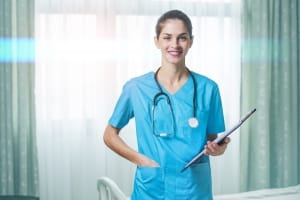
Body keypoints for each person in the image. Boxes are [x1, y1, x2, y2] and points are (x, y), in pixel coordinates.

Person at [103, 9, 230, 200]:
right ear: (157, 41)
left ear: (191, 42)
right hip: (151, 188)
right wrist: (140, 160)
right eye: (167, 37)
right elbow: (109, 135)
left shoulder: (208, 88)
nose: (175, 45)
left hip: (194, 190)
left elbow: (213, 141)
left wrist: (218, 148)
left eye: (182, 38)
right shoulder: (136, 88)